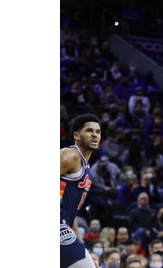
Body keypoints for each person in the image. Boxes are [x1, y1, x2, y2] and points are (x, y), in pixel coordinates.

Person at [61, 114, 102, 268]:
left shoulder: (86, 168)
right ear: (76, 136)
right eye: (89, 131)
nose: (95, 135)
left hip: (64, 225)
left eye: (98, 132)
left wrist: (81, 245)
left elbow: (70, 212)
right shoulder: (71, 155)